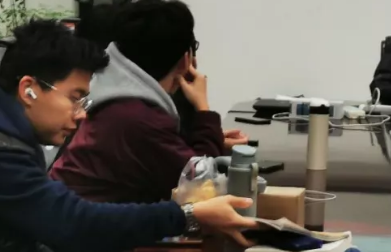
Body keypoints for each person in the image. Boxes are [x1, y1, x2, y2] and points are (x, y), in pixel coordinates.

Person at [0, 20, 255, 252]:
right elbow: (72, 222)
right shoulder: (6, 155)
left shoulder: (16, 138)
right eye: (75, 98)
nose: (81, 115)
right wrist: (187, 216)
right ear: (28, 90)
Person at [50, 0, 226, 204]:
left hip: (67, 211)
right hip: (78, 221)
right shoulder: (137, 118)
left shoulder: (112, 90)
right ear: (185, 61)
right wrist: (203, 110)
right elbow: (202, 186)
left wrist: (206, 135)